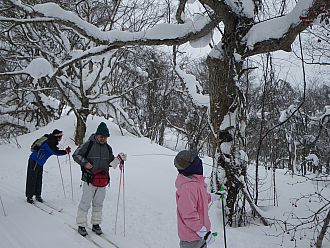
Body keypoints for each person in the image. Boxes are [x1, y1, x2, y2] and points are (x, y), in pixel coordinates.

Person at [72, 122, 127, 237]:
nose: (103, 139)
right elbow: (76, 155)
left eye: (105, 137)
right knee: (85, 202)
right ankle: (81, 225)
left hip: (102, 181)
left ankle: (95, 224)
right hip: (89, 180)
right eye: (101, 136)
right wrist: (85, 163)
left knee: (98, 204)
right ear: (97, 135)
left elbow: (111, 163)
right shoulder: (89, 144)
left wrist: (119, 159)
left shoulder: (108, 147)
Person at [174, 150, 216, 248]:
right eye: (197, 160)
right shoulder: (188, 188)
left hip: (199, 235)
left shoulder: (196, 182)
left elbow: (200, 199)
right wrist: (203, 232)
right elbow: (188, 214)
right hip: (191, 239)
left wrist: (213, 197)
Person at [25, 129, 71, 204]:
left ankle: (38, 195)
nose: (61, 138)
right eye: (60, 137)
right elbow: (55, 152)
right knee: (32, 178)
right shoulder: (49, 142)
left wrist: (64, 151)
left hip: (40, 162)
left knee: (38, 179)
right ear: (57, 137)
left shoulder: (52, 141)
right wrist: (65, 152)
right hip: (35, 160)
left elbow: (54, 150)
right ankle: (29, 197)